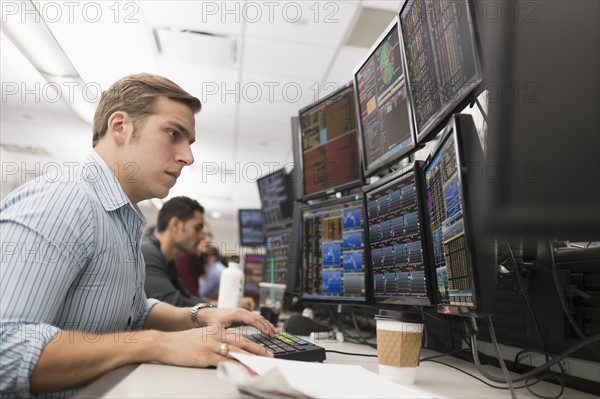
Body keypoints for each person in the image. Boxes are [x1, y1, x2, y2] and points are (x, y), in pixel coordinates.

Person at [0, 73, 276, 398]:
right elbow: (7, 349)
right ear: (120, 127)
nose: (188, 157)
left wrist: (200, 315)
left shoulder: (121, 217)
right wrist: (156, 343)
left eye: (189, 142)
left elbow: (135, 312)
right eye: (173, 134)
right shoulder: (64, 202)